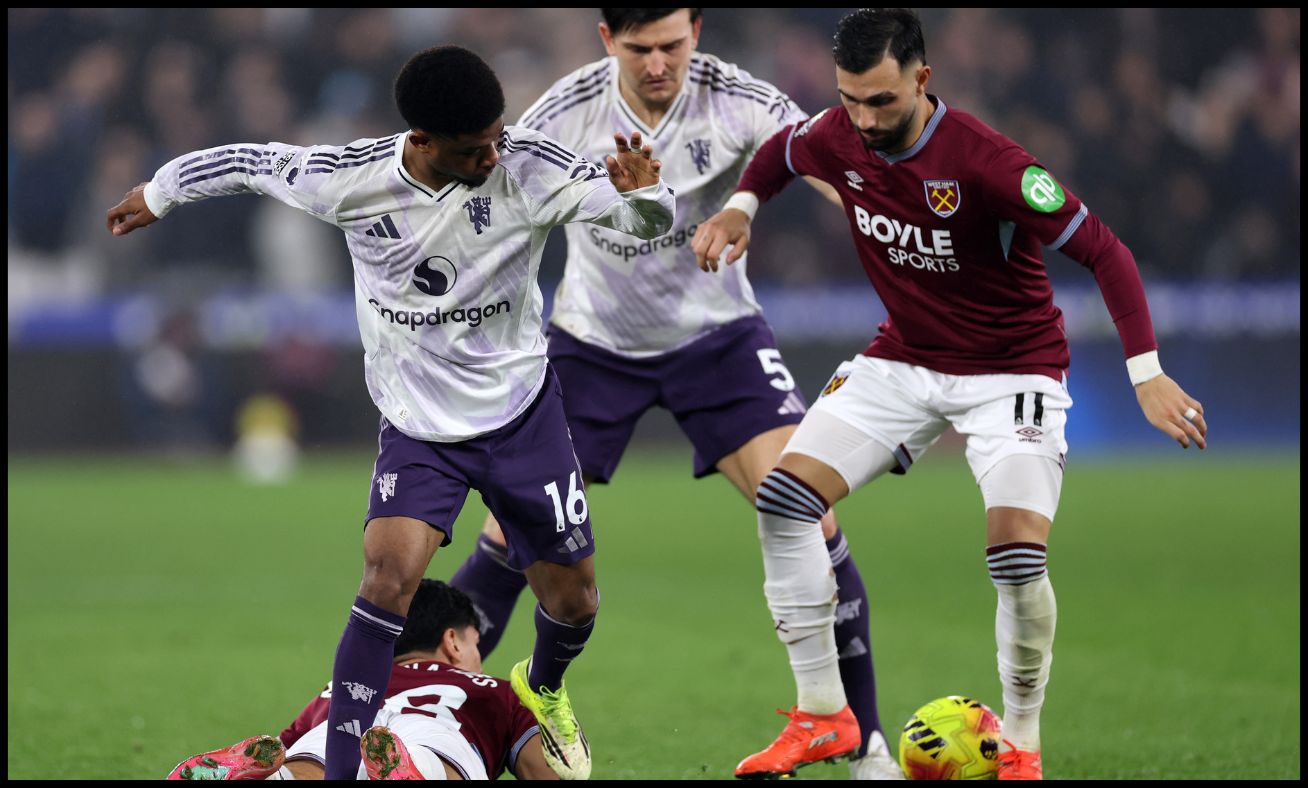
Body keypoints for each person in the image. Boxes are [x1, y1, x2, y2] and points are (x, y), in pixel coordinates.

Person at [108, 45, 675, 781]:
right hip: (418, 428)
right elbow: (250, 162)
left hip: (522, 417)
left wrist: (648, 196)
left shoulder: (530, 167)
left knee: (575, 603)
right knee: (386, 580)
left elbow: (642, 222)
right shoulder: (352, 178)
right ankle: (343, 769)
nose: (492, 157)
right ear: (423, 140)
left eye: (496, 138)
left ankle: (544, 685)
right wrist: (161, 192)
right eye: (473, 150)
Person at [692, 8, 1208, 781]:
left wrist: (1147, 371)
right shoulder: (837, 132)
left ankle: (1022, 745)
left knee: (1016, 555)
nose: (866, 120)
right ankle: (824, 714)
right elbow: (781, 153)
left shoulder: (988, 162)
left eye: (882, 101)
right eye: (851, 100)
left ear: (922, 79)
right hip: (904, 358)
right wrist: (741, 207)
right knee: (784, 500)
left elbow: (1105, 250)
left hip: (1013, 370)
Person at [444, 8, 899, 779]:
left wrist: (893, 207)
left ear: (697, 30)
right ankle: (432, 722)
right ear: (606, 40)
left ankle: (867, 744)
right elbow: (489, 200)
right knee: (511, 533)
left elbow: (831, 164)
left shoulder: (739, 100)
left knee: (807, 509)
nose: (658, 63)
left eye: (672, 45)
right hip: (592, 346)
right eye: (639, 48)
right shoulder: (564, 113)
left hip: (717, 340)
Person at [166, 580, 560, 780]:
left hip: (342, 725)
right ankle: (415, 770)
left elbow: (279, 748)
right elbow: (543, 772)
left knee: (306, 765)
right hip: (436, 731)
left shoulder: (343, 686)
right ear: (453, 641)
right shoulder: (493, 692)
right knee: (436, 761)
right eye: (476, 644)